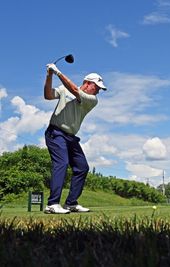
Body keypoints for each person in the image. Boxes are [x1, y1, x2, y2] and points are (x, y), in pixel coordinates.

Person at [43, 63, 107, 214]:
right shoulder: (65, 89)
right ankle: (52, 204)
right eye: (96, 87)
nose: (98, 91)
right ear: (87, 83)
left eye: (99, 89)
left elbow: (73, 89)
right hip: (56, 133)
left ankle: (71, 203)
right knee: (62, 163)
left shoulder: (92, 100)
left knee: (82, 167)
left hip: (70, 137)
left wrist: (58, 72)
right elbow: (48, 95)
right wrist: (49, 76)